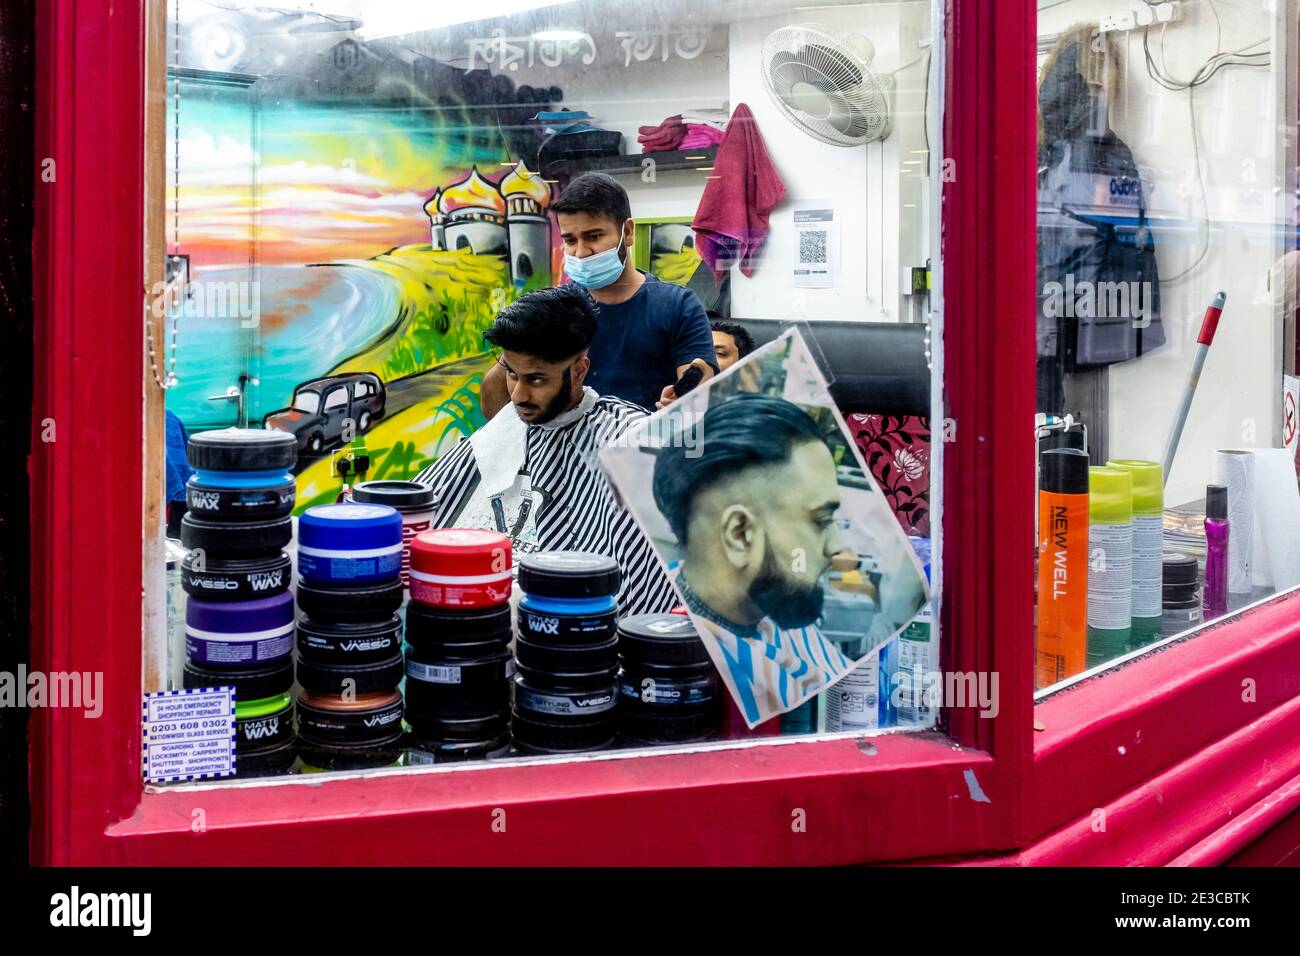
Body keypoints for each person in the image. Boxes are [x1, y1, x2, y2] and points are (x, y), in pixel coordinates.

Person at [415, 286, 678, 616]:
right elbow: (416, 510)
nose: (517, 396)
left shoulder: (624, 434)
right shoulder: (509, 423)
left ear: (580, 370)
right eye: (512, 374)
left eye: (536, 379)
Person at [652, 393, 857, 725]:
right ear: (741, 534)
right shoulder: (691, 672)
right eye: (820, 521)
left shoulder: (775, 604)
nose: (839, 548)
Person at [480, 172, 717, 417]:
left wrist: (685, 399)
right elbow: (495, 405)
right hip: (570, 450)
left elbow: (699, 379)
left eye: (594, 236)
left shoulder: (677, 306)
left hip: (646, 445)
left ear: (627, 231)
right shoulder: (555, 310)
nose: (581, 252)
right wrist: (514, 351)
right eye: (570, 240)